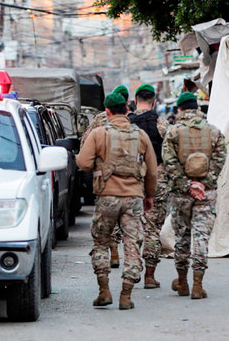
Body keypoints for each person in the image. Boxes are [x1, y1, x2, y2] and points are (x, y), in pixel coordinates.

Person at [76, 92, 157, 310]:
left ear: (108, 112)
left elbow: (83, 162)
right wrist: (149, 195)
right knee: (132, 245)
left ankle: (104, 291)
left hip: (107, 198)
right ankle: (126, 295)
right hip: (133, 199)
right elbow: (151, 170)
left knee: (101, 242)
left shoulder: (98, 133)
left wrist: (99, 167)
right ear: (127, 111)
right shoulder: (140, 135)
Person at [162, 91, 226, 299]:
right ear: (197, 108)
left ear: (180, 109)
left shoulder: (172, 132)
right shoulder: (214, 132)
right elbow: (220, 160)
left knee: (182, 236)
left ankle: (182, 282)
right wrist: (203, 184)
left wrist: (187, 185)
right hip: (206, 194)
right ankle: (198, 285)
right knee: (201, 237)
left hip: (181, 194)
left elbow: (169, 163)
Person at [81, 84, 130, 269]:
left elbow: (85, 144)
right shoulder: (132, 120)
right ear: (126, 102)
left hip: (104, 175)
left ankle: (112, 249)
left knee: (106, 216)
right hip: (129, 176)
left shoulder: (99, 120)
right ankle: (127, 256)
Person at [127, 84, 169, 289]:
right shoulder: (161, 124)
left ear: (135, 101)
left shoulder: (125, 125)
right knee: (153, 230)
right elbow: (171, 154)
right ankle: (150, 276)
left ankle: (132, 273)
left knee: (131, 229)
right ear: (154, 102)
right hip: (157, 180)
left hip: (130, 182)